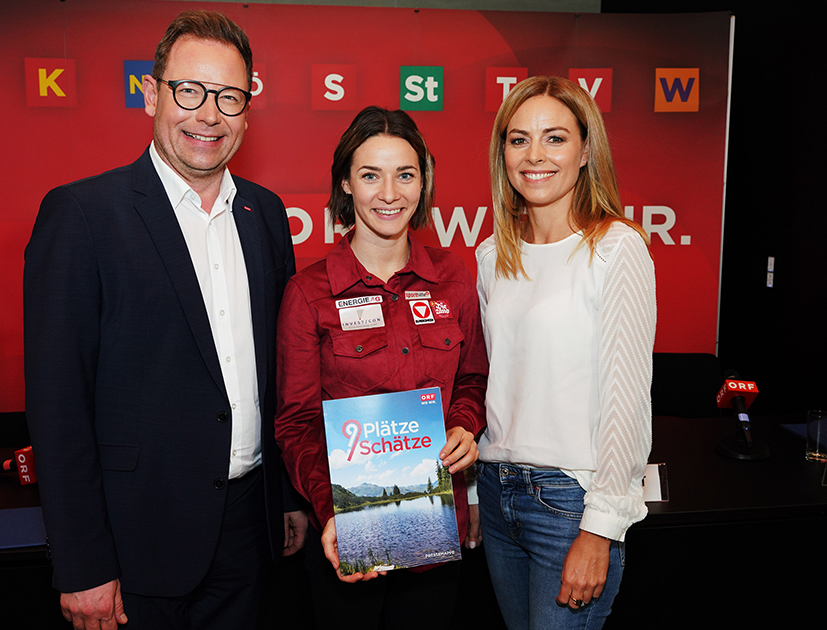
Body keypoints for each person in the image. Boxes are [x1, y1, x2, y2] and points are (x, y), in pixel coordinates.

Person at [24, 9, 307, 630]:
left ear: (247, 110)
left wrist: (285, 499)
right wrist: (81, 562)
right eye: (190, 91)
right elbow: (57, 405)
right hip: (134, 544)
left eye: (229, 97)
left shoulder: (264, 215)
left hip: (249, 533)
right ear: (152, 93)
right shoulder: (82, 216)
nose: (209, 114)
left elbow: (279, 379)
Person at [275, 106, 487, 628]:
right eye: (371, 174)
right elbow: (296, 424)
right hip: (348, 534)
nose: (389, 193)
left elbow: (473, 380)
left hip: (437, 531)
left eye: (405, 175)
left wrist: (464, 424)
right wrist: (333, 511)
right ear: (346, 182)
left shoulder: (453, 278)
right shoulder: (310, 294)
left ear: (423, 184)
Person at [474, 75, 655, 630]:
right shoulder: (489, 256)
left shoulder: (617, 248)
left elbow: (627, 402)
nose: (534, 155)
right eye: (518, 138)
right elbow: (496, 385)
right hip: (496, 491)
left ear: (585, 151)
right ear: (502, 152)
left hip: (570, 504)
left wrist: (601, 528)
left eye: (555, 138)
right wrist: (478, 499)